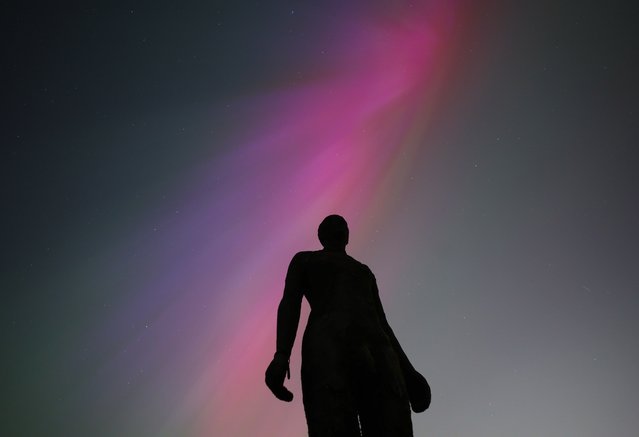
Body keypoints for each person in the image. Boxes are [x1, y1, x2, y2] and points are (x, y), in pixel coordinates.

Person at [265, 215, 430, 436]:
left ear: (348, 236)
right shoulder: (305, 261)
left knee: (393, 424)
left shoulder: (364, 273)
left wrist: (409, 373)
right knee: (332, 424)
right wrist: (281, 355)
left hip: (379, 352)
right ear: (321, 235)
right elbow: (290, 304)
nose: (339, 226)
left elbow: (383, 323)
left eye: (343, 224)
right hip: (328, 348)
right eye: (332, 223)